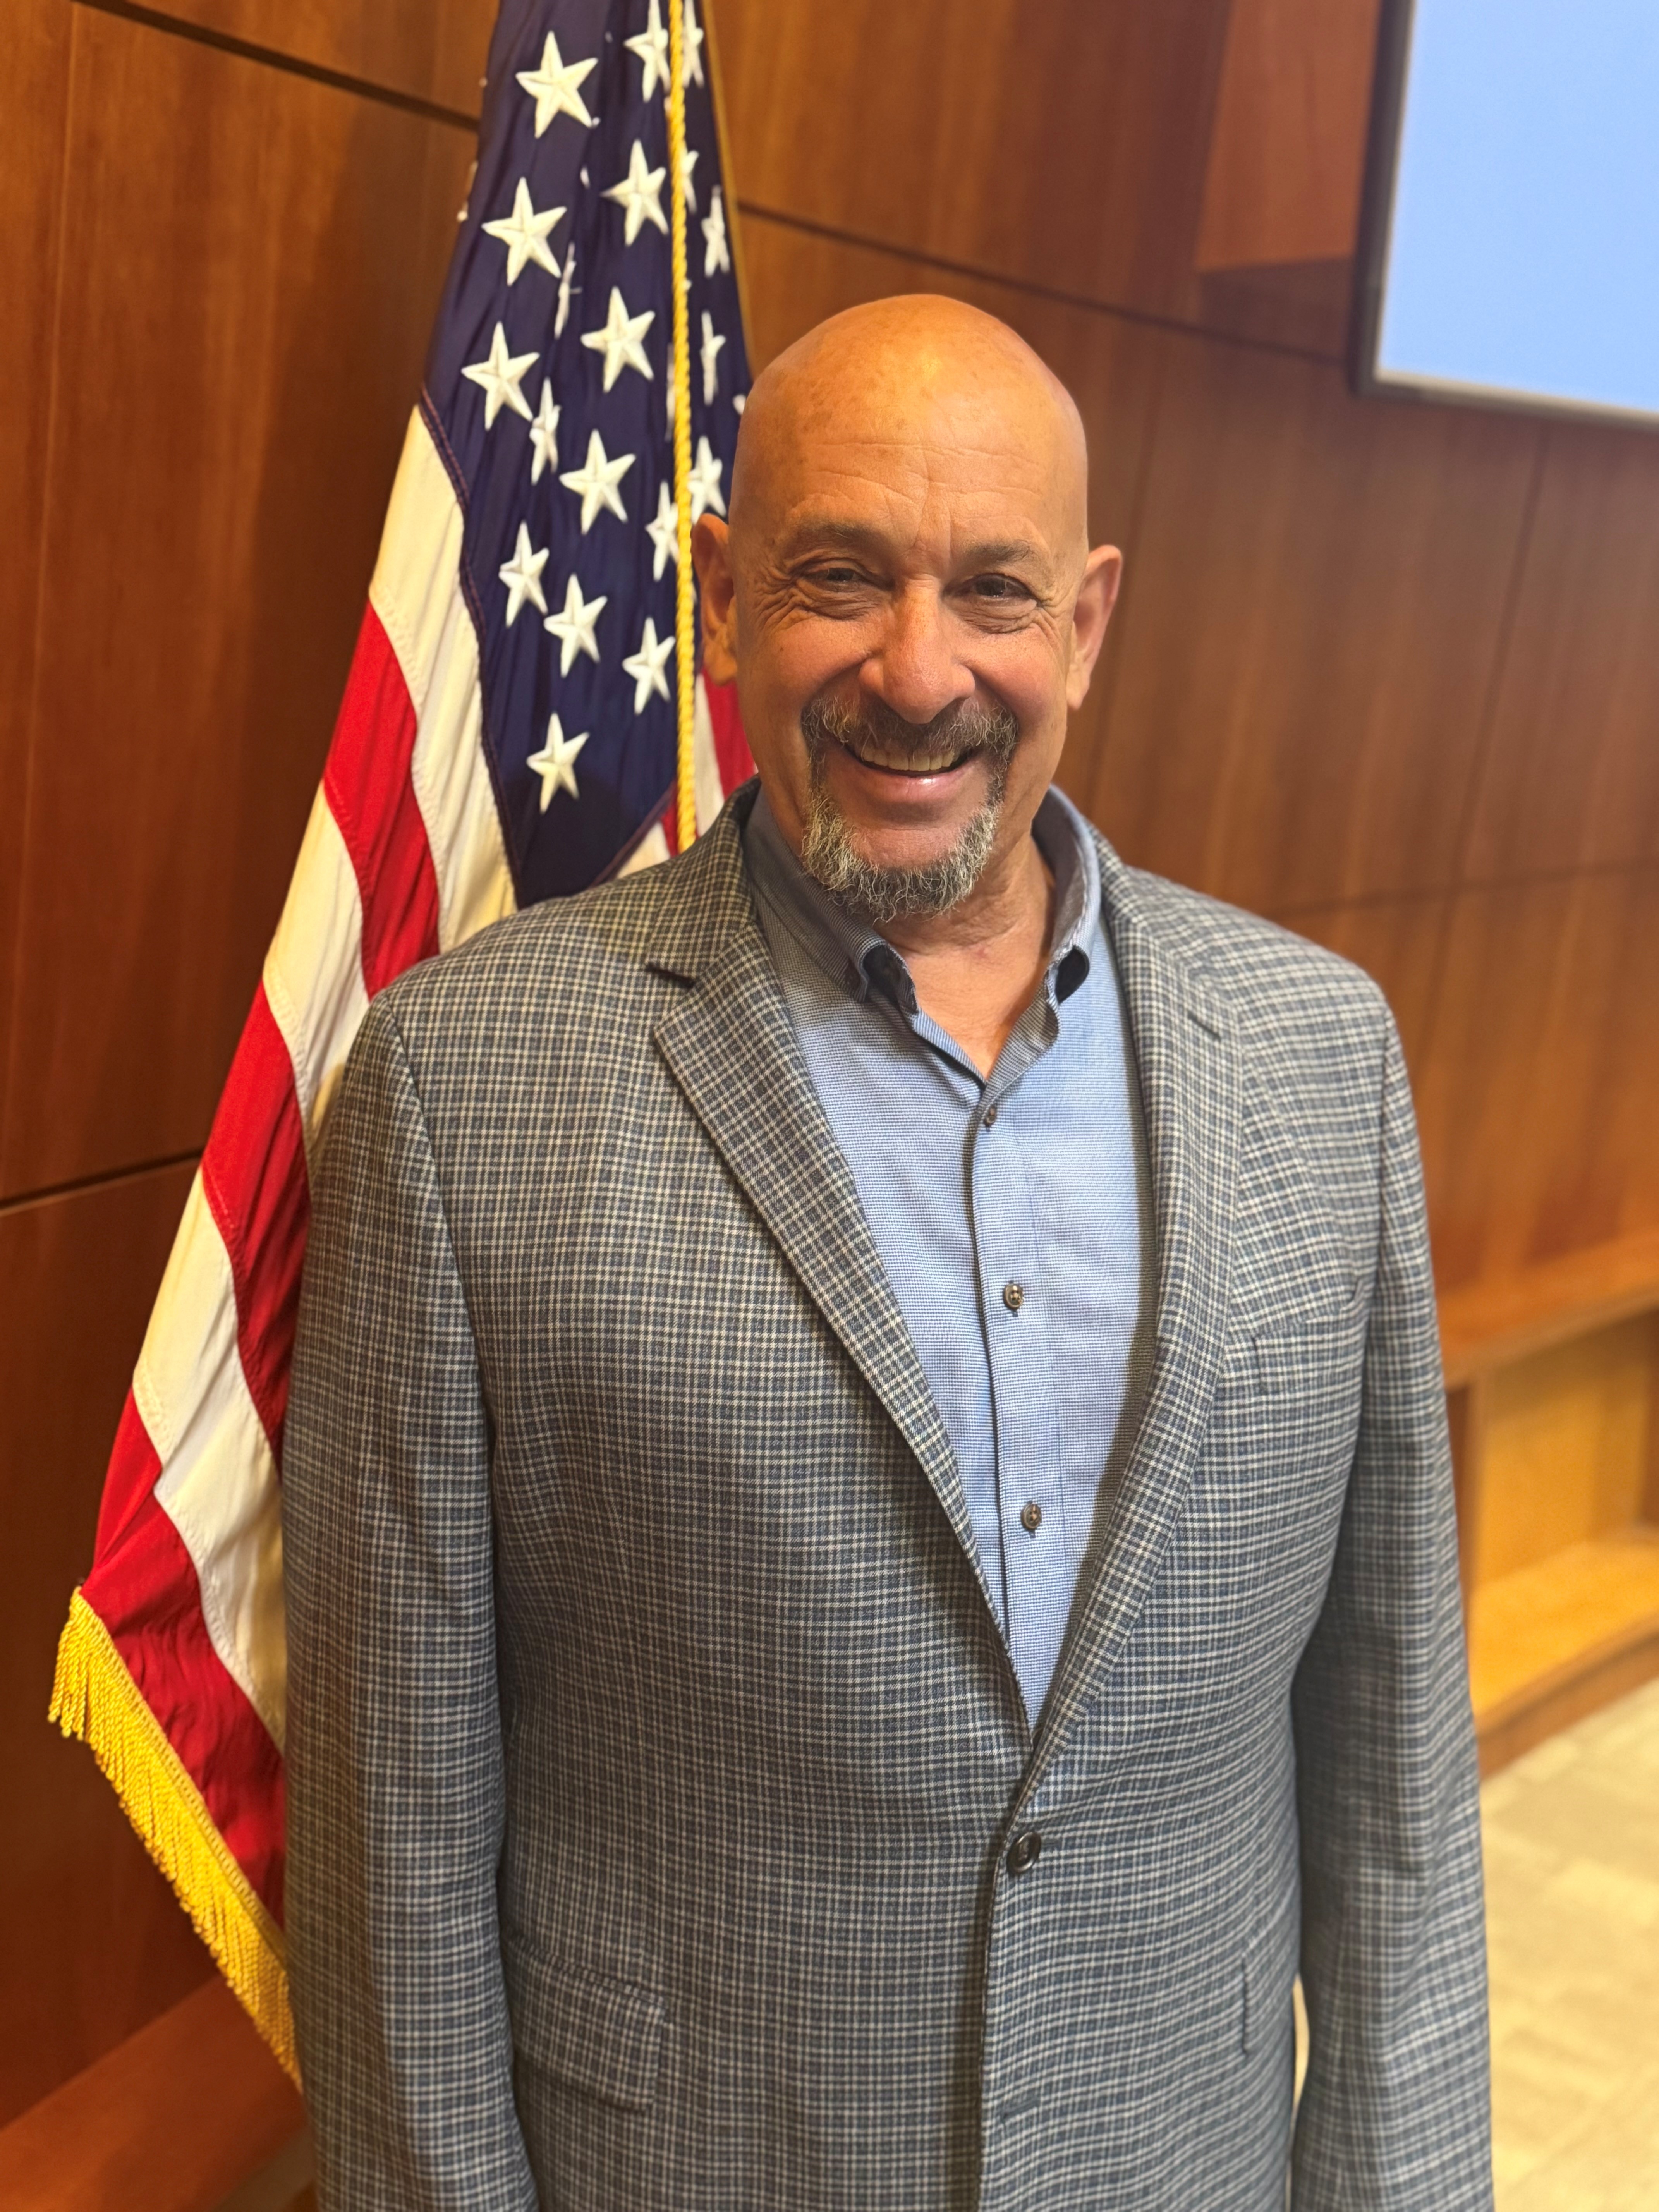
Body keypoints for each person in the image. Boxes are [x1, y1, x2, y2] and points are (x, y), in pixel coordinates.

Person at [285, 295, 1492, 2210]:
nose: (918, 672)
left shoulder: (1321, 1055)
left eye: (994, 593)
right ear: (721, 597)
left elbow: (1396, 1768)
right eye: (840, 576)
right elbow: (388, 1846)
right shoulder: (460, 1087)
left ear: (1087, 624)